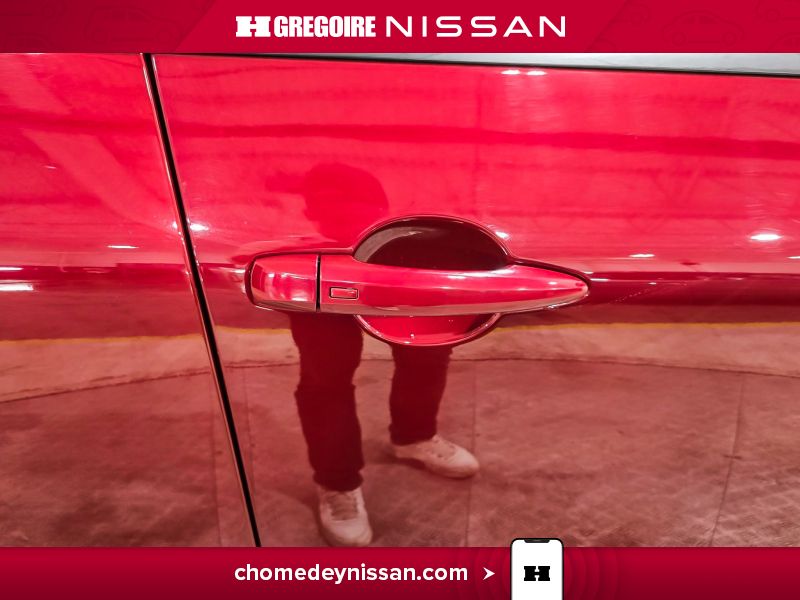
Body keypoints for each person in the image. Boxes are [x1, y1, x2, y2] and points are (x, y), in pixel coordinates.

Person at [289, 164, 480, 546]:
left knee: (428, 352)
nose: (345, 209)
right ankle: (337, 482)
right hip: (320, 264)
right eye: (330, 205)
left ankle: (413, 437)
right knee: (325, 379)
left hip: (399, 253)